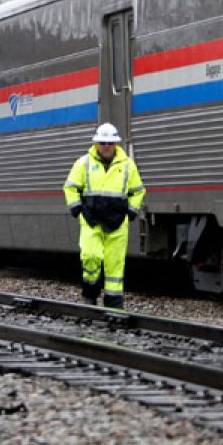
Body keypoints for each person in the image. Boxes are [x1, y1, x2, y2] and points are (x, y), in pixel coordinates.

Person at [63, 123, 146, 309]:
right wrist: (76, 208)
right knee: (90, 256)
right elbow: (70, 186)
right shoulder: (84, 163)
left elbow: (138, 191)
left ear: (116, 143)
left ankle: (114, 304)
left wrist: (132, 211)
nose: (106, 146)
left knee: (114, 266)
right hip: (91, 222)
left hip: (117, 224)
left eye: (110, 142)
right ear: (96, 143)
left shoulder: (127, 166)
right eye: (102, 142)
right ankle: (90, 293)